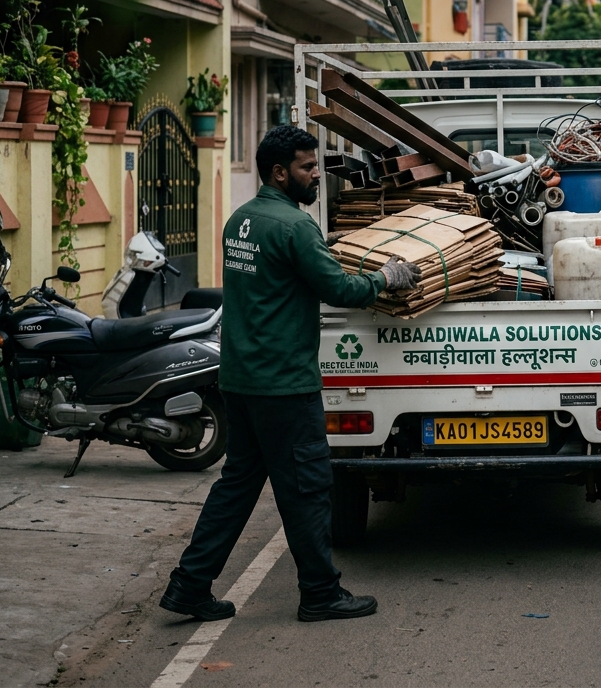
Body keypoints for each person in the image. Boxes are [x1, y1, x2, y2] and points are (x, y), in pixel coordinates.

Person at [159, 125, 421, 623]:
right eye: (306, 167)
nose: (316, 174)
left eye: (315, 164)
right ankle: (320, 593)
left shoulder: (241, 221)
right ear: (279, 173)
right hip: (284, 384)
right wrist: (384, 276)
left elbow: (279, 279)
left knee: (236, 486)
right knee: (307, 488)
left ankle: (189, 586)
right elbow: (339, 289)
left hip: (241, 379)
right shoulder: (295, 227)